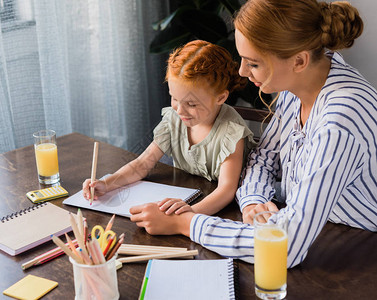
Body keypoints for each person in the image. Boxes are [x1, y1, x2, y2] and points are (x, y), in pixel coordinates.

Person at [129, 0, 377, 268]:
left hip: (360, 250)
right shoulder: (302, 84)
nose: (242, 72)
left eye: (253, 64)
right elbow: (264, 158)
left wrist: (185, 222)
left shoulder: (340, 121)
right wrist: (253, 201)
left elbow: (286, 247)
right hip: (321, 228)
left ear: (299, 60)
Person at [82, 40, 255, 216]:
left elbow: (226, 190)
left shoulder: (231, 132)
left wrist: (188, 215)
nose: (180, 111)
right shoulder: (175, 119)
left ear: (220, 97)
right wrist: (106, 183)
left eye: (191, 104)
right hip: (188, 194)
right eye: (174, 99)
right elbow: (142, 164)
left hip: (223, 212)